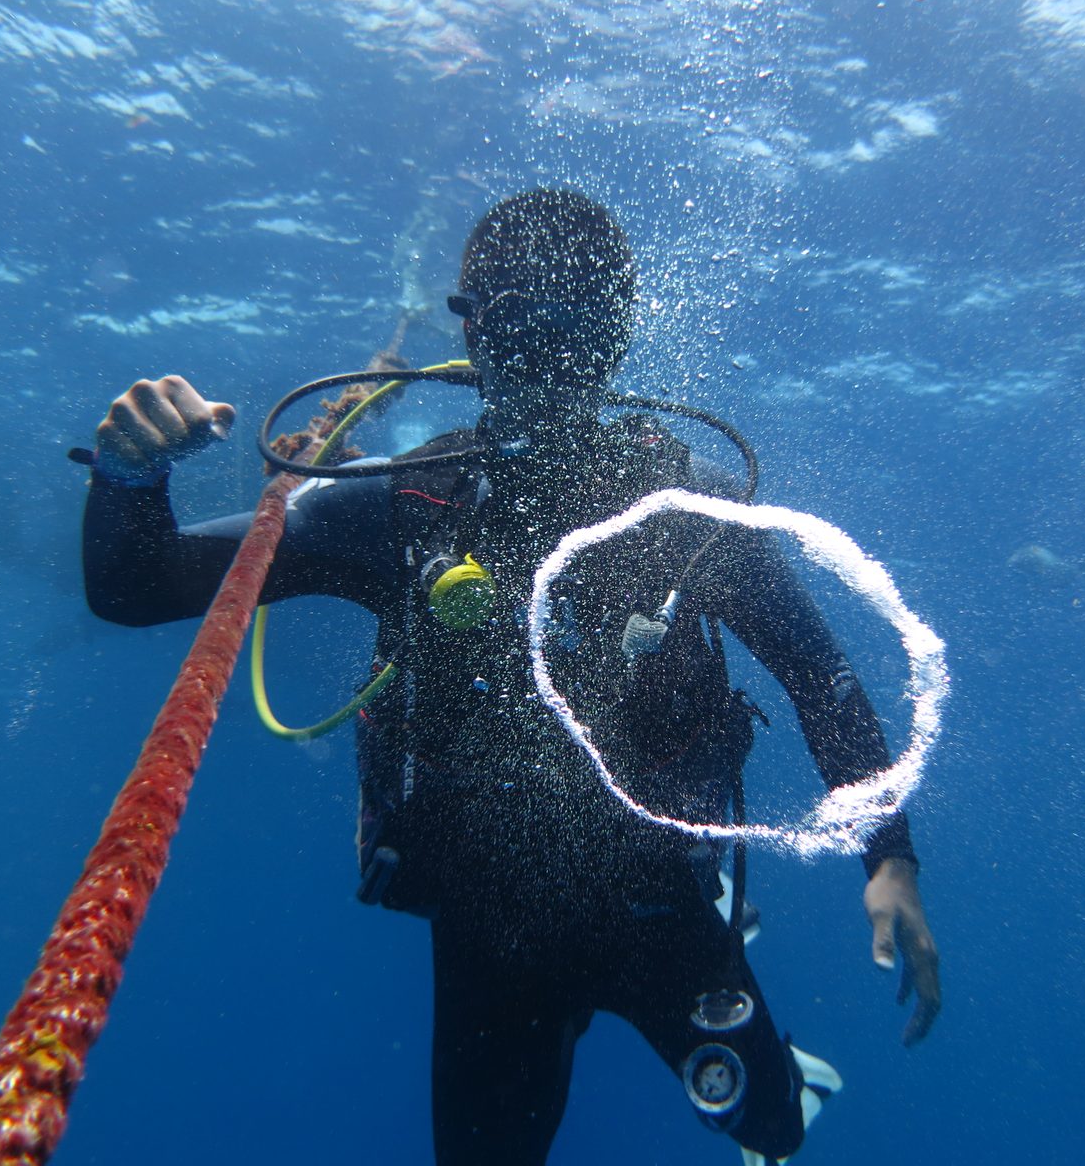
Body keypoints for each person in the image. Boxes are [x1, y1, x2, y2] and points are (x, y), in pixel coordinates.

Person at [82, 188, 940, 1165]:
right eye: (521, 332)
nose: (546, 362)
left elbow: (816, 674)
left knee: (774, 1123)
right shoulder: (403, 505)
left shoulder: (688, 509)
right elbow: (137, 585)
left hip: (657, 898)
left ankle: (782, 1077)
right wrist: (125, 472)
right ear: (475, 338)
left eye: (570, 334)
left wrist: (891, 859)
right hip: (490, 933)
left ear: (615, 339)